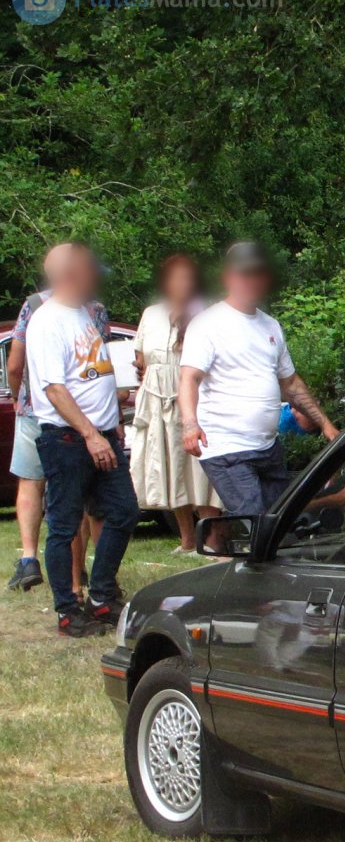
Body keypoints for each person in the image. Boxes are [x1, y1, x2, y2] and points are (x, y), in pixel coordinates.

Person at [24, 243, 140, 636]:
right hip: (70, 440)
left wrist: (113, 419)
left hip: (102, 434)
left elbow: (91, 374)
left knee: (124, 510)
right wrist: (91, 434)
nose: (97, 279)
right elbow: (54, 389)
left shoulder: (85, 316)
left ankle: (102, 596)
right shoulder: (47, 321)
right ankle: (68, 611)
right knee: (65, 524)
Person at [178, 241, 339, 515]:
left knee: (282, 522)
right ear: (228, 277)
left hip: (267, 447)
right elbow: (188, 379)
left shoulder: (270, 325)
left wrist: (325, 424)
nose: (251, 280)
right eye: (244, 273)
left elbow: (290, 384)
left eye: (257, 273)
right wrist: (190, 425)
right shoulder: (208, 323)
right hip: (226, 447)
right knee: (257, 520)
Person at [6, 247, 111, 593]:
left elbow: (15, 365)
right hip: (78, 413)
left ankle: (28, 557)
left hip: (39, 408)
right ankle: (80, 578)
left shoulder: (33, 306)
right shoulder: (95, 311)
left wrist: (21, 398)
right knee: (77, 500)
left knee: (31, 483)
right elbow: (97, 365)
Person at [130, 254, 222, 552]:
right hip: (157, 402)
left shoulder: (205, 314)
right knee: (171, 469)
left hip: (193, 400)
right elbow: (141, 359)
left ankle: (211, 539)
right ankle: (186, 539)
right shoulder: (151, 314)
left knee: (200, 471)